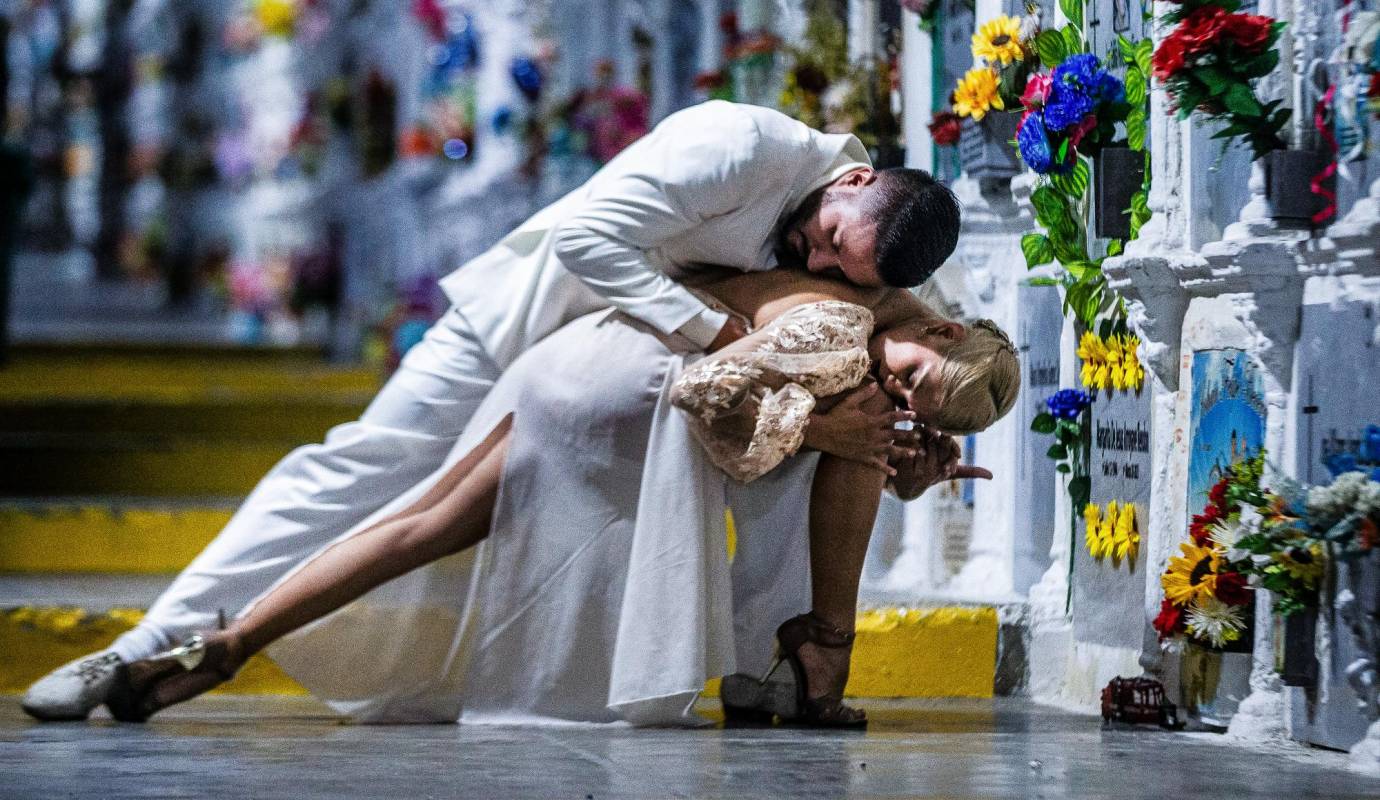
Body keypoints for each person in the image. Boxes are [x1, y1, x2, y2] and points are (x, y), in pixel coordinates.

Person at [24, 101, 963, 722]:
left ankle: (776, 675)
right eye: (834, 245)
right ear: (851, 180)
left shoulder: (858, 243)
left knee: (803, 446)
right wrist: (727, 339)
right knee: (361, 468)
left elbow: (880, 349)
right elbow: (591, 236)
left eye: (844, 271)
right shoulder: (743, 145)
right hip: (520, 330)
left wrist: (907, 445)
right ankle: (149, 645)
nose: (824, 262)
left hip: (616, 383)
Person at [100, 268, 1019, 728]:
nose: (896, 396)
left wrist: (903, 461)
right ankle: (822, 655)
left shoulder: (894, 314)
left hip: (593, 362)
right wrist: (833, 434)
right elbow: (704, 395)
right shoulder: (842, 327)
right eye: (909, 379)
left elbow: (803, 410)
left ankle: (222, 645)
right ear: (936, 328)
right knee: (430, 521)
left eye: (913, 404)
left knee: (426, 523)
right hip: (633, 394)